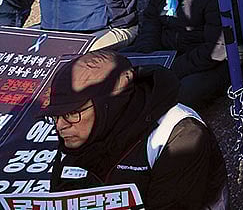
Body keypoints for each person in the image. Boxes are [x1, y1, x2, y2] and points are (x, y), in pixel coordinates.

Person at [43, 52, 227, 209]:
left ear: (109, 105)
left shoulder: (179, 135)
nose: (60, 126)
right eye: (56, 116)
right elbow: (61, 193)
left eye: (73, 113)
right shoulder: (78, 133)